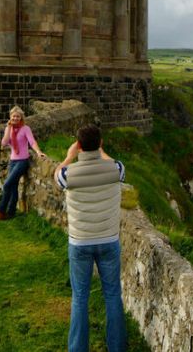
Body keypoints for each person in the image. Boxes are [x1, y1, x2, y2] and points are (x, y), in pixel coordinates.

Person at [55, 124, 127, 352]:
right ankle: (117, 347)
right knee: (113, 295)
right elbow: (114, 163)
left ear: (78, 145)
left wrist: (68, 157)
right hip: (108, 240)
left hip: (80, 242)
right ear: (101, 143)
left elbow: (56, 174)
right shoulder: (116, 169)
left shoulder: (68, 174)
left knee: (80, 298)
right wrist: (101, 151)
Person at [0, 106, 46, 221]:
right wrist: (8, 128)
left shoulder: (25, 128)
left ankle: (1, 211)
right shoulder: (9, 128)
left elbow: (32, 142)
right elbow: (4, 143)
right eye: (13, 116)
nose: (16, 118)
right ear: (10, 117)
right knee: (13, 186)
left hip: (22, 161)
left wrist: (38, 152)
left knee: (7, 184)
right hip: (12, 161)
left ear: (21, 117)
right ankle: (11, 212)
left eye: (18, 116)